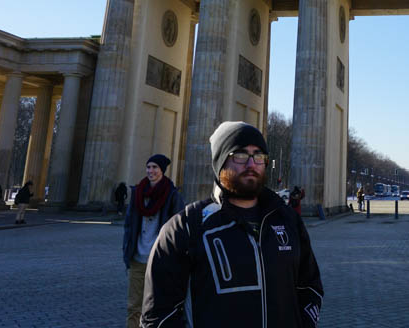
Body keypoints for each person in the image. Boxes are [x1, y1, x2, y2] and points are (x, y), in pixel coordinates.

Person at [142, 121, 323, 327]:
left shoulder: (288, 220)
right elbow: (158, 315)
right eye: (240, 155)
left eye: (258, 156)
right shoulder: (186, 227)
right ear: (220, 162)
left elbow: (310, 287)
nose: (251, 164)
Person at [123, 154, 184, 328]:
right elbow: (129, 226)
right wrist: (127, 250)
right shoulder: (138, 193)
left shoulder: (172, 196)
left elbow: (178, 230)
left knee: (157, 308)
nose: (150, 171)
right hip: (138, 259)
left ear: (162, 171)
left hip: (159, 261)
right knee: (133, 306)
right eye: (148, 167)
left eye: (155, 167)